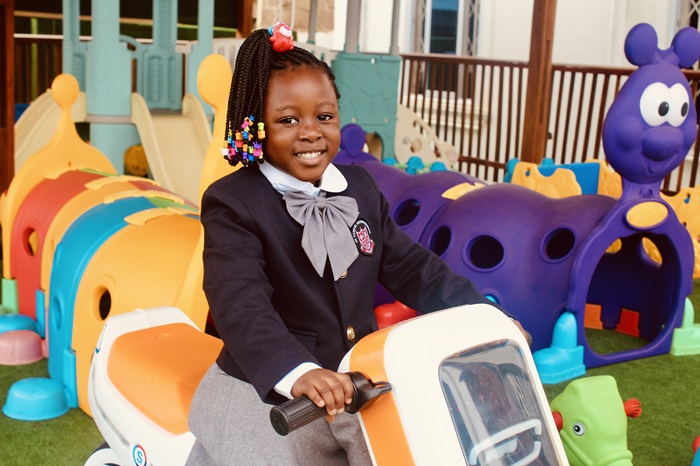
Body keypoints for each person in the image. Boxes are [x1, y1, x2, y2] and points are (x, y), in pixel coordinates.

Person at [186, 23, 530, 466]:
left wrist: (483, 317)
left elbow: (412, 268)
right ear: (256, 126)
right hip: (275, 391)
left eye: (324, 116)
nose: (311, 132)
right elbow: (240, 302)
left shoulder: (359, 187)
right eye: (288, 120)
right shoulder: (233, 202)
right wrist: (297, 372)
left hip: (356, 379)